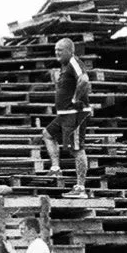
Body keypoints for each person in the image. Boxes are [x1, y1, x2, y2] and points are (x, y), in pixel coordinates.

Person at [42, 38, 92, 199]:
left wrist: (75, 99)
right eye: (55, 50)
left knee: (77, 149)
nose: (57, 53)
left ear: (70, 51)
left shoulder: (74, 62)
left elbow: (84, 80)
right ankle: (56, 168)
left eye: (60, 50)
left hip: (74, 114)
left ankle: (80, 188)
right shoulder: (65, 66)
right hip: (64, 114)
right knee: (48, 134)